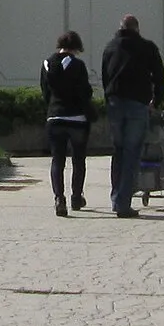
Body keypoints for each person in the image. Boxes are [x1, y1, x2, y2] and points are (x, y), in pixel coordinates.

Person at [99, 14, 164, 218]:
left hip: (115, 103)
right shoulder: (147, 47)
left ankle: (115, 197)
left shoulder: (110, 47)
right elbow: (159, 75)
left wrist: (109, 97)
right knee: (132, 153)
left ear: (120, 28)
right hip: (138, 104)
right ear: (137, 29)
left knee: (118, 151)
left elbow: (105, 76)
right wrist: (157, 100)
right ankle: (123, 203)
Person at [40, 30, 92, 217]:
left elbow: (45, 92)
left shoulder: (46, 64)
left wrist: (53, 108)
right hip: (77, 118)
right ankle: (76, 197)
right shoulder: (78, 65)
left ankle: (59, 198)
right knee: (78, 160)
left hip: (54, 117)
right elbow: (85, 92)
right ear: (76, 47)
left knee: (57, 160)